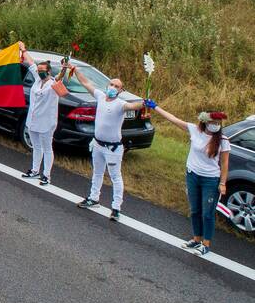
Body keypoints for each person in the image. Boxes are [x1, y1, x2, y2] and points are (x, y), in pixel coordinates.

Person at [146, 103, 230, 255]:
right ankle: (196, 239)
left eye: (218, 123)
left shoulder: (223, 139)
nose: (216, 126)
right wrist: (155, 107)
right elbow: (173, 119)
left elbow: (224, 163)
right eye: (213, 123)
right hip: (192, 176)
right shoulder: (194, 130)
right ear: (205, 122)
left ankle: (206, 244)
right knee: (195, 210)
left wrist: (222, 183)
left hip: (211, 180)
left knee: (207, 213)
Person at [72, 67, 145, 221]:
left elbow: (133, 106)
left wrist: (144, 103)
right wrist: (75, 70)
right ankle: (93, 198)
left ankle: (116, 207)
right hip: (98, 145)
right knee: (97, 173)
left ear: (121, 90)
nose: (112, 87)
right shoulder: (99, 96)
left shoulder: (120, 104)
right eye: (111, 84)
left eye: (116, 86)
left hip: (113, 148)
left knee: (115, 177)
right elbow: (86, 82)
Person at [18, 43, 60, 186]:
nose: (40, 72)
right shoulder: (37, 79)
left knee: (47, 148)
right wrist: (23, 50)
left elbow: (60, 77)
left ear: (49, 72)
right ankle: (35, 170)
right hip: (33, 119)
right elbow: (30, 62)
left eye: (43, 70)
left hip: (47, 122)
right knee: (36, 146)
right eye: (39, 70)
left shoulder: (53, 84)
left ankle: (46, 175)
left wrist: (65, 68)